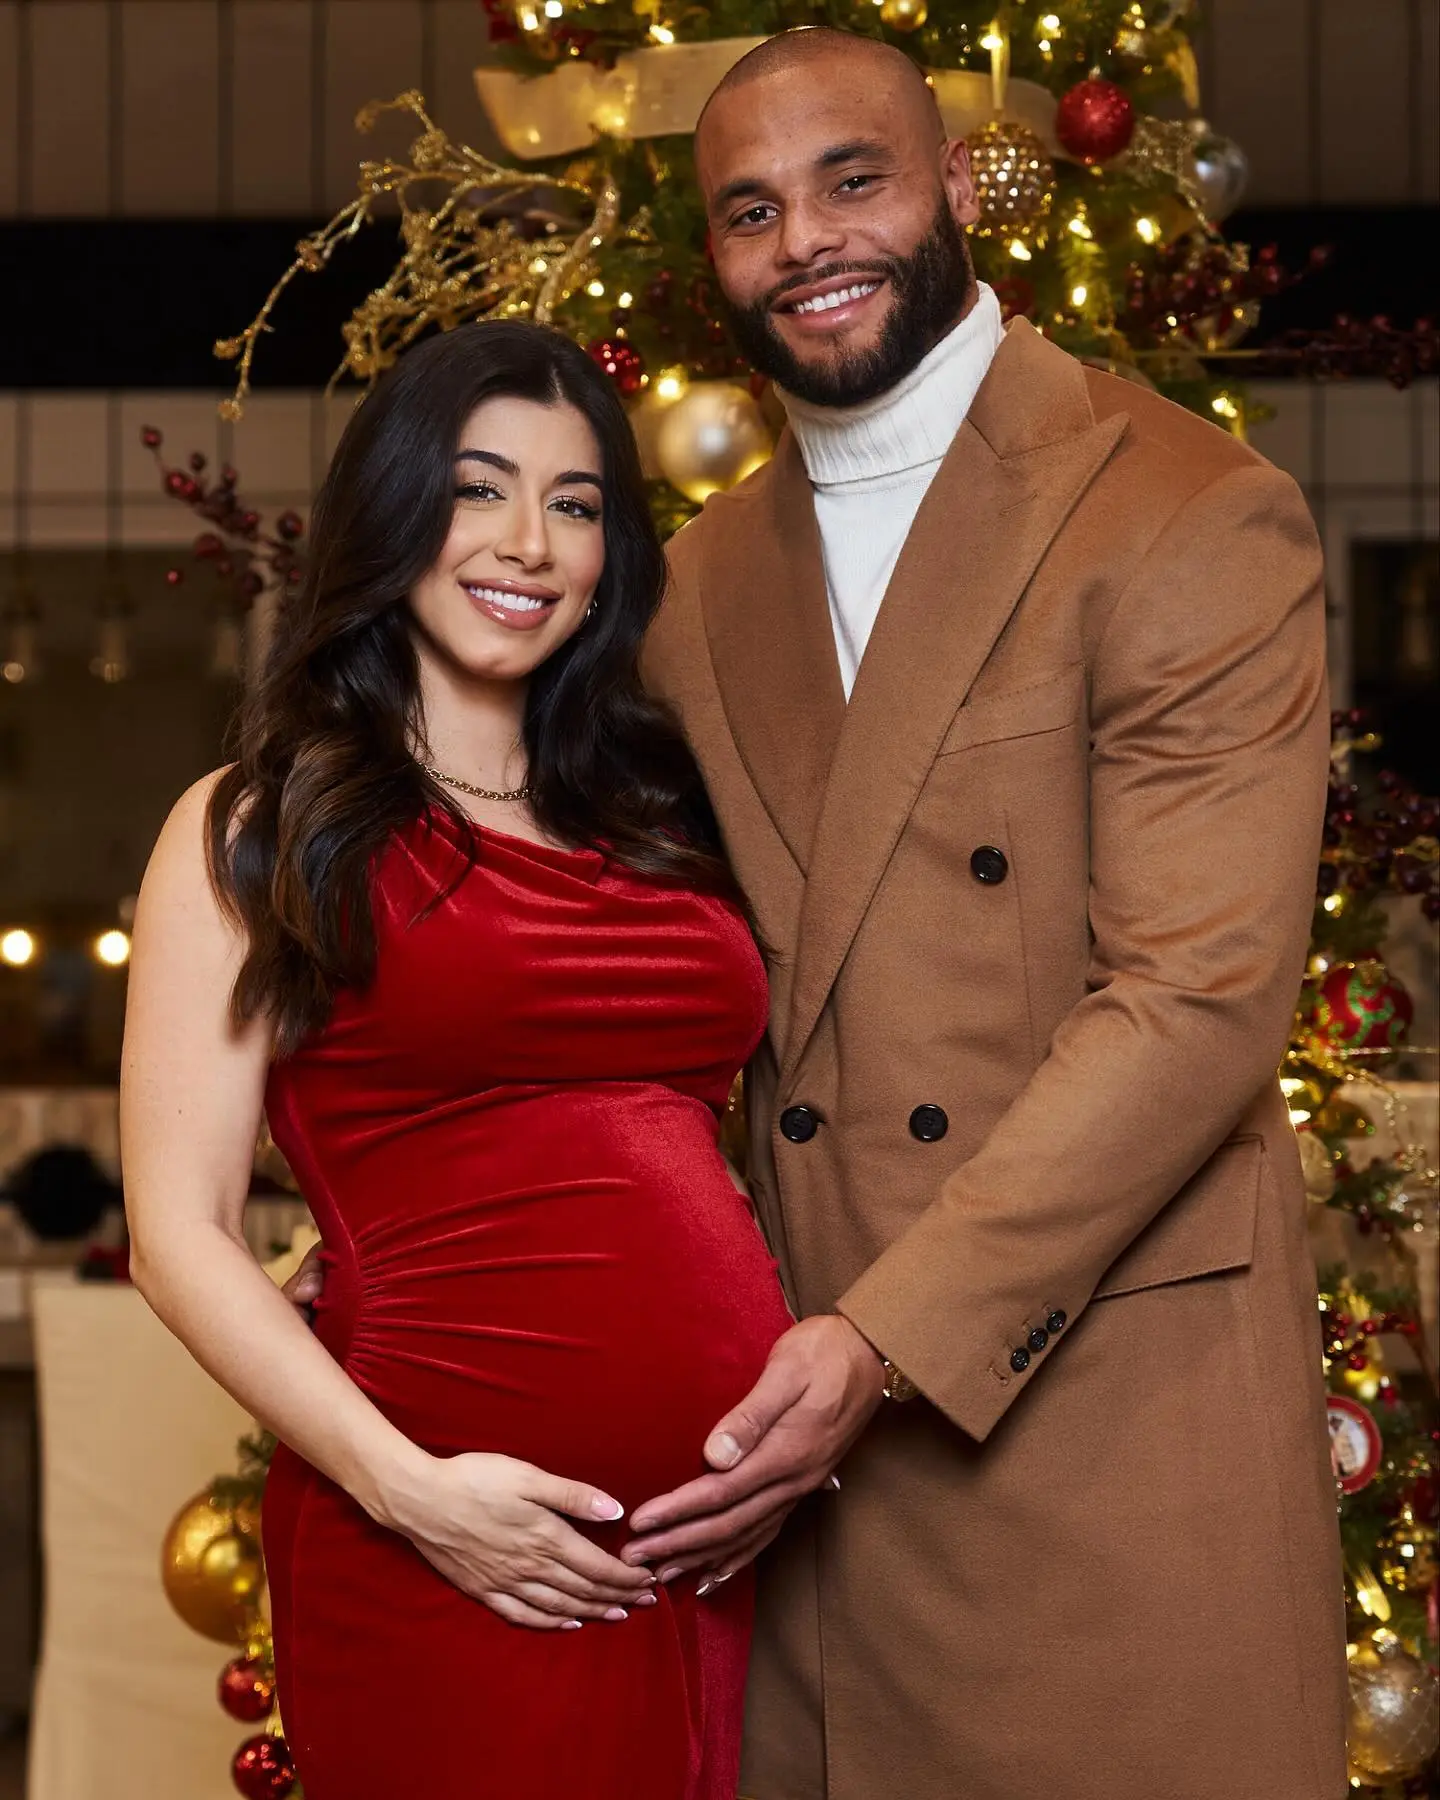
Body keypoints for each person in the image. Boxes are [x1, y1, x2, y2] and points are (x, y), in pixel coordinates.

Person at [620, 27, 1348, 1800]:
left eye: (850, 179)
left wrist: (881, 1337)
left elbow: (1195, 1002)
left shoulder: (1188, 510)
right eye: (749, 211)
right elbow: (657, 990)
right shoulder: (696, 583)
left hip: (1100, 1425)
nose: (804, 239)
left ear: (957, 186)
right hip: (796, 1482)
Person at [120, 321, 793, 1800]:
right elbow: (178, 1237)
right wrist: (410, 1490)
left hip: (712, 1542)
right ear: (397, 507)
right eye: (480, 487)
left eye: (575, 503)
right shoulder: (261, 820)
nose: (528, 543)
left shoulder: (659, 806)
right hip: (450, 1532)